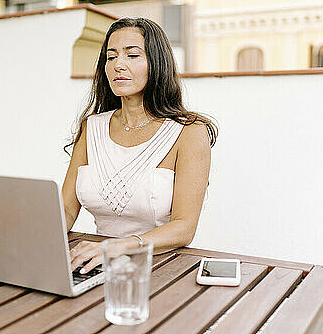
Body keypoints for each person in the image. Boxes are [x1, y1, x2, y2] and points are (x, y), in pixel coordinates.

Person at [62, 17, 218, 275]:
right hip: (95, 265)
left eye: (132, 55)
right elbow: (67, 209)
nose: (118, 65)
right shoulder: (92, 127)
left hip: (160, 266)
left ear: (156, 63)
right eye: (111, 57)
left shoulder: (189, 133)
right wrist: (38, 240)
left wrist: (118, 247)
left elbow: (184, 227)